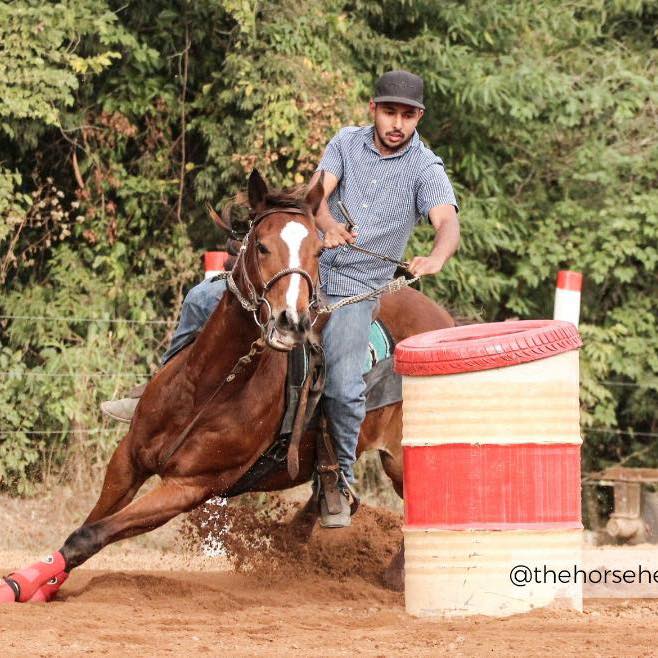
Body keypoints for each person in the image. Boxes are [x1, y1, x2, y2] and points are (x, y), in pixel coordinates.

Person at [101, 70, 460, 528]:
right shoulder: (346, 143)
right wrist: (325, 225)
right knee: (199, 298)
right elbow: (318, 194)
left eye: (407, 116)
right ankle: (156, 396)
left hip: (355, 292)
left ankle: (338, 478)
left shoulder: (425, 169)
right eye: (390, 112)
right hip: (305, 269)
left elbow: (446, 221)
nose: (397, 123)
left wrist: (436, 255)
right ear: (374, 109)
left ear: (418, 118)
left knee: (347, 383)